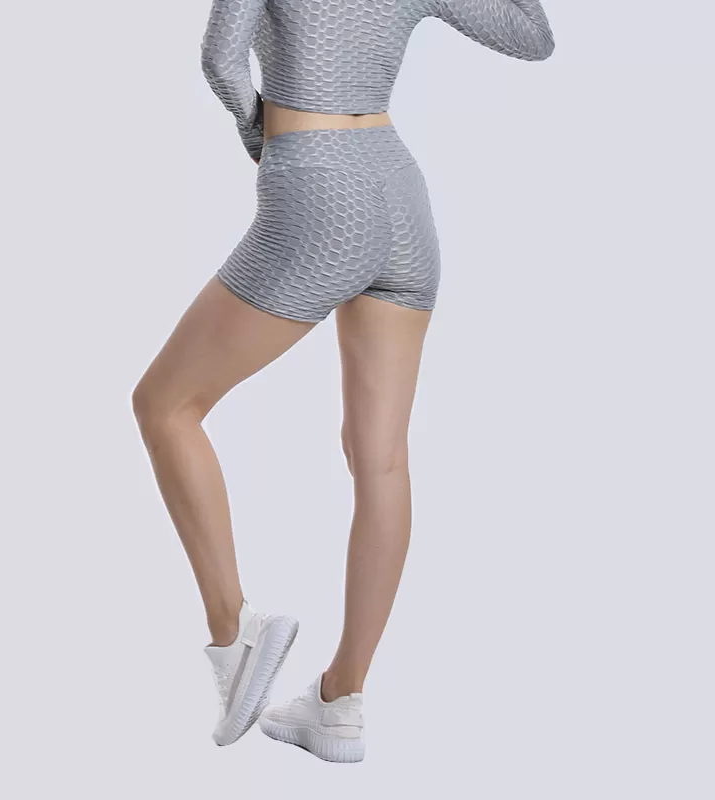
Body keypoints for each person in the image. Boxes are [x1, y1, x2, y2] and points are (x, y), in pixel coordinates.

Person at [132, 0, 555, 763]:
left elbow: (222, 59)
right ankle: (341, 702)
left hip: (318, 182)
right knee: (381, 458)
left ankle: (235, 636)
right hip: (400, 194)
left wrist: (263, 136)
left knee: (166, 405)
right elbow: (534, 36)